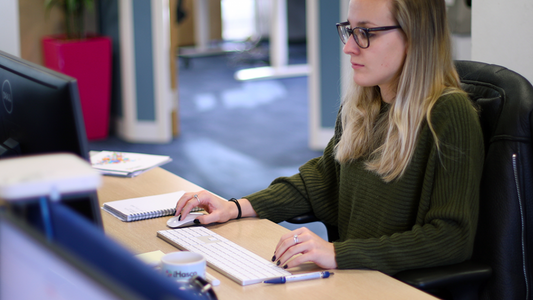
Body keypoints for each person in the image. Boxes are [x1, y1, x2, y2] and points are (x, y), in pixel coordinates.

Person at [175, 0, 484, 275]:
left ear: (415, 37)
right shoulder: (364, 107)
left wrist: (338, 253)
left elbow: (451, 238)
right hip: (350, 278)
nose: (349, 47)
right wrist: (237, 207)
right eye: (349, 30)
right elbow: (321, 182)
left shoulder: (449, 114)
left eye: (366, 33)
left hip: (393, 287)